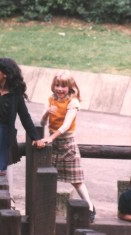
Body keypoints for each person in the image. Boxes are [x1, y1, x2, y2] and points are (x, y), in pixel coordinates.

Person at [35, 70, 96, 223]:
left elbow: (66, 125)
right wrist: (46, 113)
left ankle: (89, 207)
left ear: (69, 87)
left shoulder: (73, 102)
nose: (60, 89)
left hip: (67, 144)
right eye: (57, 85)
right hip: (53, 144)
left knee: (76, 180)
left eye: (63, 86)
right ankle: (45, 210)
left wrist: (50, 138)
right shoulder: (50, 100)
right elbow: (42, 123)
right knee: (49, 177)